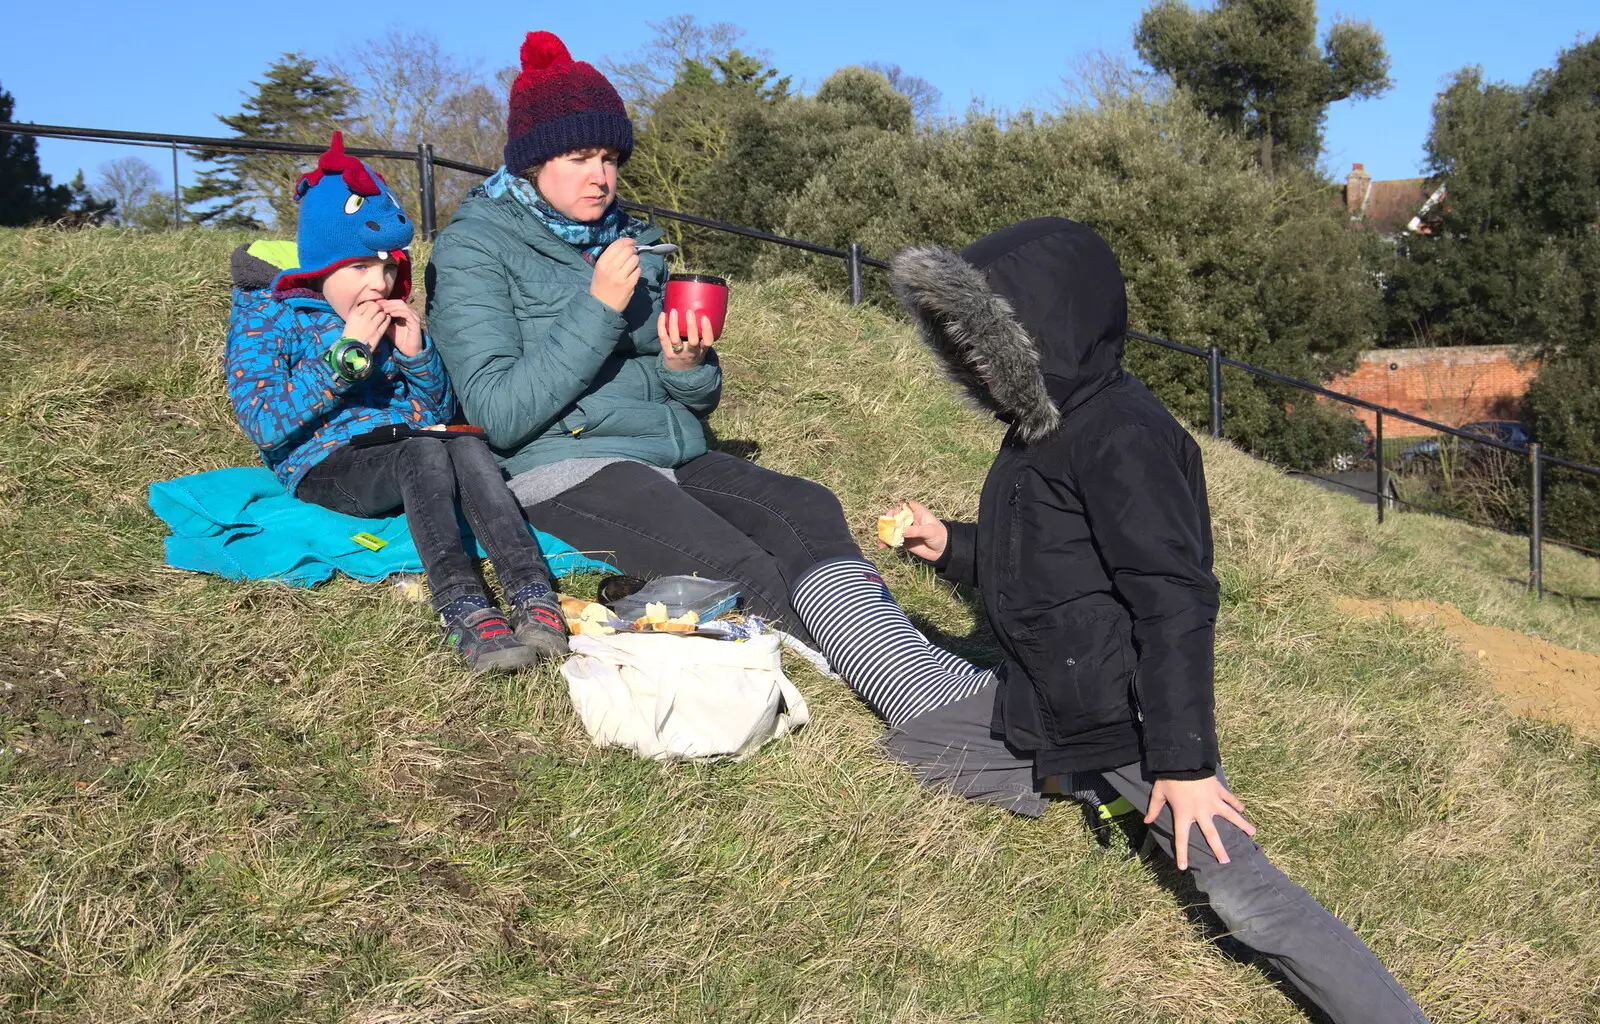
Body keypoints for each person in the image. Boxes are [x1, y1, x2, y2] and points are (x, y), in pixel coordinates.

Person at [872, 218, 1428, 1023]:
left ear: (1049, 328)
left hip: (1131, 717)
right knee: (918, 749)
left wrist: (1187, 764)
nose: (979, 363)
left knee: (1246, 901)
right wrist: (947, 542)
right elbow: (1042, 557)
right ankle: (1098, 789)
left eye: (991, 340)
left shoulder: (1123, 435)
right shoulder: (1038, 431)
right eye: (965, 344)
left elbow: (1175, 601)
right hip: (1054, 698)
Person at [425, 31, 1002, 713]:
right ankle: (908, 691)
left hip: (671, 451)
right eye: (580, 156)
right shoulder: (473, 248)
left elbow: (693, 395)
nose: (601, 176)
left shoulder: (631, 238)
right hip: (561, 468)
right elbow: (497, 410)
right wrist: (597, 310)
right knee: (737, 561)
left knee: (805, 506)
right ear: (531, 162)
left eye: (610, 157)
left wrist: (687, 364)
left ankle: (908, 660)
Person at [225, 133, 568, 673]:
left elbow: (432, 413)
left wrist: (415, 355)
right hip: (325, 463)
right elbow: (264, 422)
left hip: (405, 447)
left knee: (462, 441)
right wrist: (344, 358)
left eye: (387, 268)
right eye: (360, 268)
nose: (379, 282)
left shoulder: (387, 313)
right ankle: (463, 608)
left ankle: (534, 595)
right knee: (424, 454)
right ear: (322, 266)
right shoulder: (269, 314)